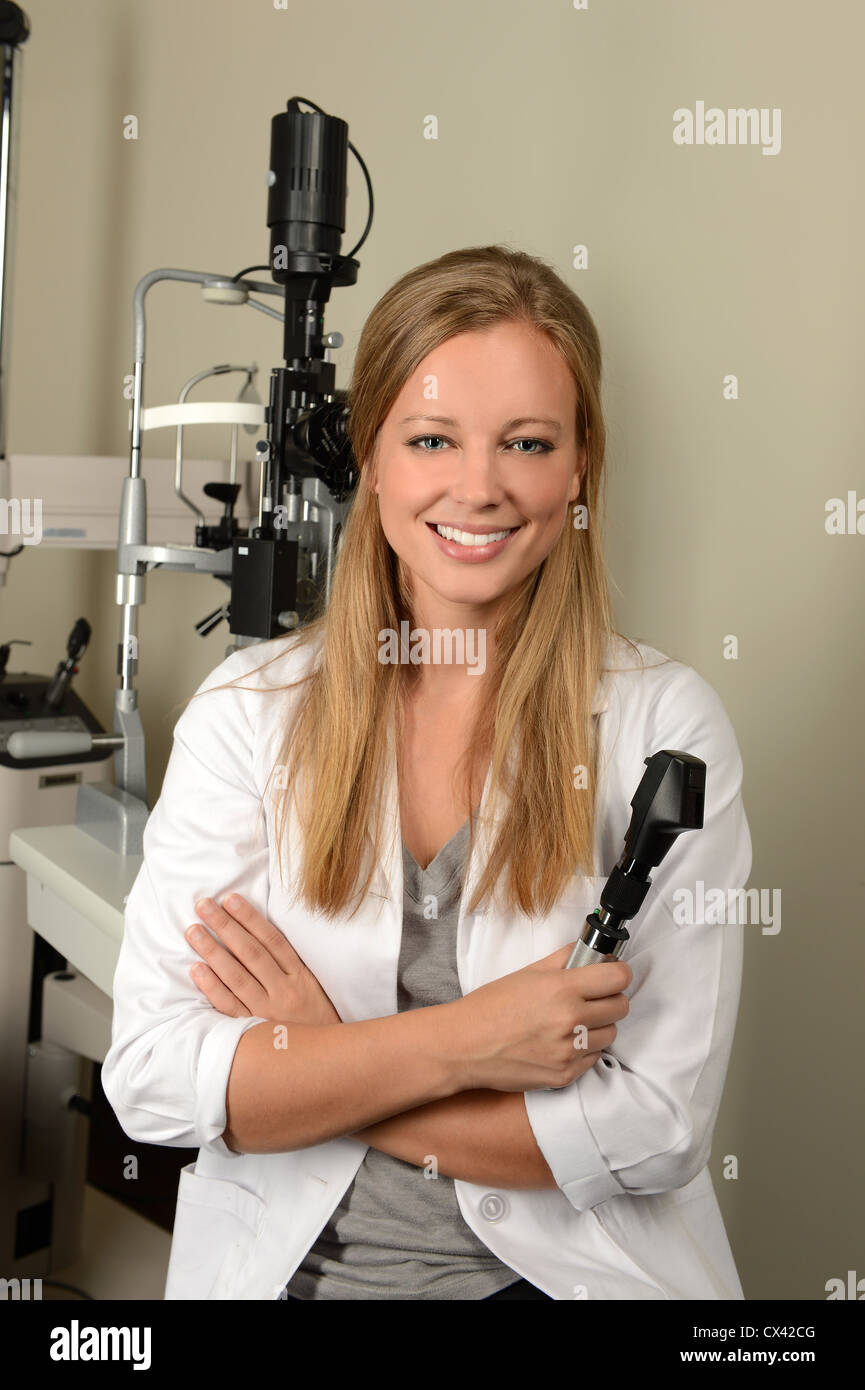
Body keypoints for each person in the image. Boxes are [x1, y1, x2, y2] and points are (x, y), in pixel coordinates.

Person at [101, 244, 752, 1301]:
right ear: (371, 452)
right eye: (432, 438)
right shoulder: (247, 716)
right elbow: (156, 1080)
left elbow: (656, 1129)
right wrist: (469, 1040)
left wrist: (325, 1058)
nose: (478, 488)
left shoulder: (662, 727)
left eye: (527, 443)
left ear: (580, 462)